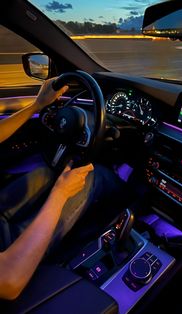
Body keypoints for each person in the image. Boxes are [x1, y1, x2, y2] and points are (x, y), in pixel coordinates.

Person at [0, 78, 128, 300]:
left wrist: (37, 105)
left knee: (51, 171)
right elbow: (9, 279)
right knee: (94, 176)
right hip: (11, 259)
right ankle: (133, 202)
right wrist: (60, 195)